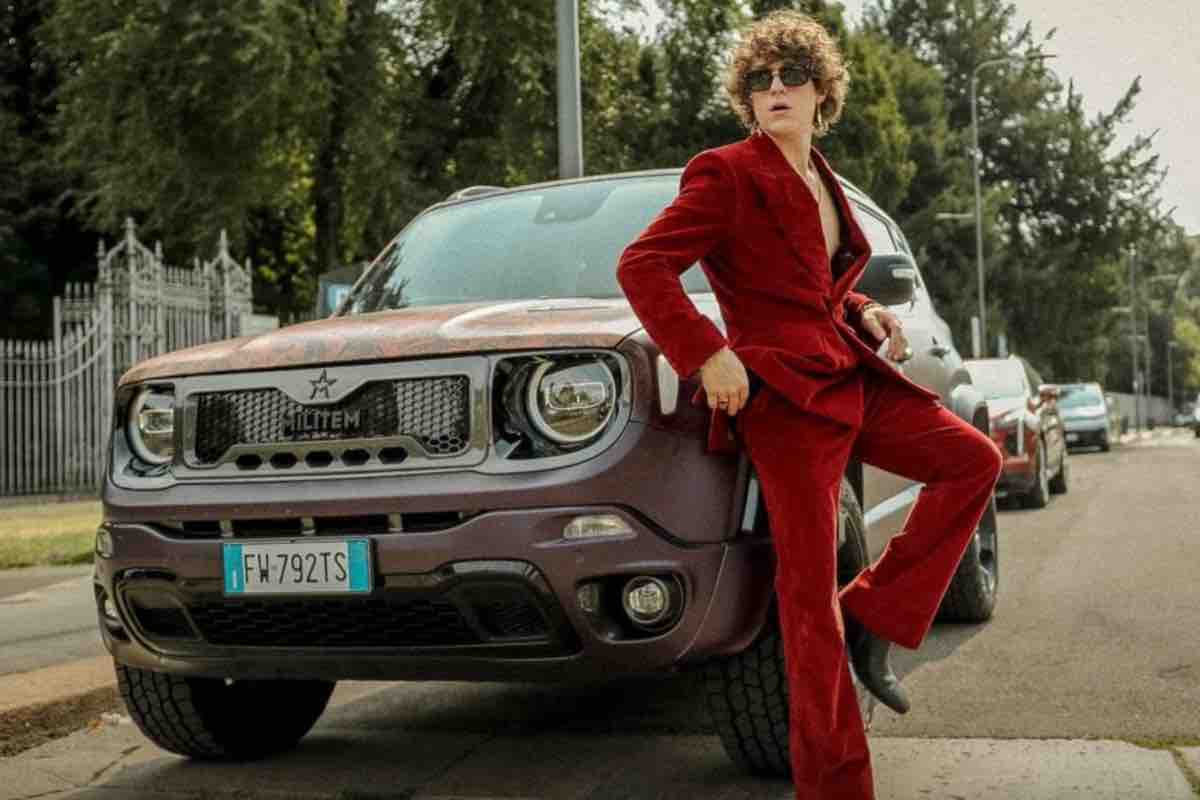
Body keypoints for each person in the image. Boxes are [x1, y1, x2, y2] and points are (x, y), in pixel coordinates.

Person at [615, 10, 1003, 800]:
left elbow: (810, 283)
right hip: (784, 399)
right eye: (760, 79)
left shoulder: (822, 179)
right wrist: (707, 352)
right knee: (806, 600)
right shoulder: (726, 173)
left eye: (792, 74)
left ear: (822, 90)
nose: (776, 88)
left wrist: (862, 308)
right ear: (747, 98)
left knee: (972, 460)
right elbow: (642, 265)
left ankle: (873, 612)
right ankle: (835, 785)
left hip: (847, 372)